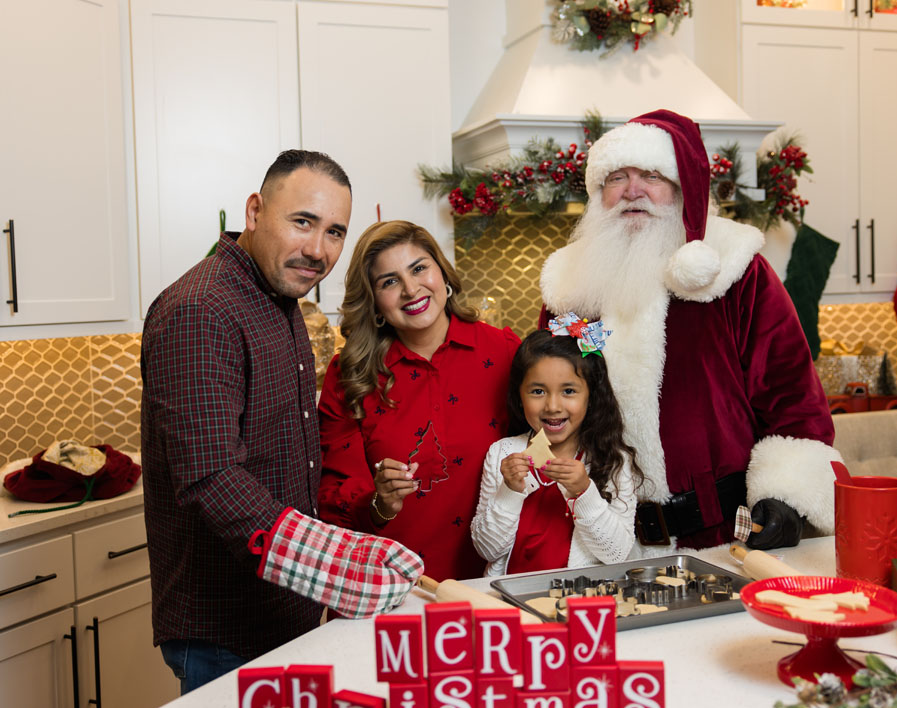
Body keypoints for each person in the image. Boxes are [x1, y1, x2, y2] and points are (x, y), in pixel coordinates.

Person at [141, 150, 423, 694]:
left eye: (335, 232)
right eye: (302, 222)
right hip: (226, 628)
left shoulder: (278, 296)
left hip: (282, 613)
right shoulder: (202, 309)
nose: (318, 249)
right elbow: (211, 478)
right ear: (254, 211)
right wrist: (335, 564)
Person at [539, 109, 842, 552]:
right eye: (616, 178)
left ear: (683, 189)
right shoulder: (570, 287)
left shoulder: (737, 270)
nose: (632, 191)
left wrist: (786, 496)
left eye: (652, 175)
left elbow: (792, 396)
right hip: (603, 540)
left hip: (724, 538)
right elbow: (545, 399)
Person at [317, 220, 520, 580]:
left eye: (419, 268)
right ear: (374, 301)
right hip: (391, 584)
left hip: (495, 582)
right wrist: (380, 502)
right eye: (389, 282)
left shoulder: (504, 352)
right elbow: (334, 499)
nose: (411, 290)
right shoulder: (349, 375)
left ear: (442, 273)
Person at [471, 317, 641, 576]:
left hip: (579, 596)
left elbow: (616, 554)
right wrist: (509, 490)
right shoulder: (502, 454)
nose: (552, 406)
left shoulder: (612, 459)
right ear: (519, 395)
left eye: (568, 391)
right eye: (538, 391)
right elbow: (487, 550)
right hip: (509, 595)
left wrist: (584, 492)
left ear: (591, 396)